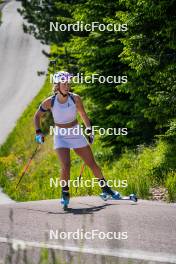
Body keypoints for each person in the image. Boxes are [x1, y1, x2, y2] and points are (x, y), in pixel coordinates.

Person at [34, 71, 119, 207]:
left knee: (92, 163)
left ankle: (106, 189)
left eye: (69, 83)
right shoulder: (50, 101)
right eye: (64, 84)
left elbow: (83, 115)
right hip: (61, 135)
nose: (67, 86)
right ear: (57, 85)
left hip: (76, 133)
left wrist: (89, 131)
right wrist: (38, 132)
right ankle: (65, 192)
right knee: (66, 165)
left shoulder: (75, 98)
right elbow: (37, 116)